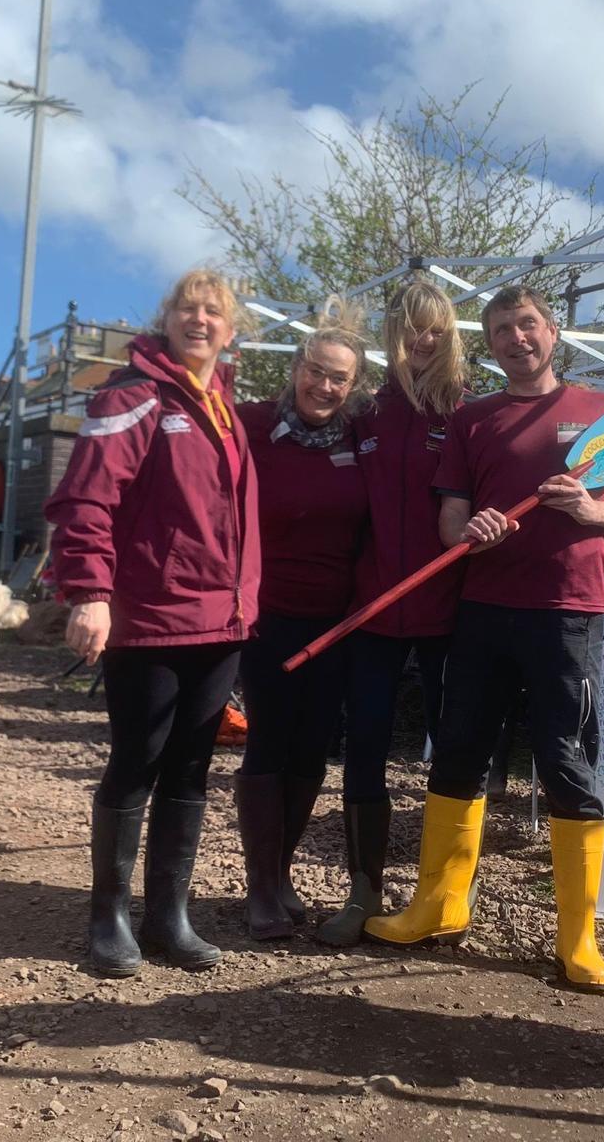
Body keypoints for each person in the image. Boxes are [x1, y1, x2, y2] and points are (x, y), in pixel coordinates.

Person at [363, 285, 604, 992]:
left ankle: (577, 940)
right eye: (500, 330)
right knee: (459, 751)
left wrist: (591, 508)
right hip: (485, 610)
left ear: (553, 331)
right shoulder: (473, 419)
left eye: (526, 325)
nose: (515, 339)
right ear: (489, 343)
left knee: (565, 760)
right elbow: (450, 521)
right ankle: (436, 907)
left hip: (569, 613)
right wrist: (471, 532)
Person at [45, 269, 260, 978]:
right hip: (151, 617)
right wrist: (89, 592)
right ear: (166, 318)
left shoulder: (224, 404)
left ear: (232, 330)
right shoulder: (133, 396)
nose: (199, 320)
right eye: (187, 309)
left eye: (213, 312)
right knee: (136, 760)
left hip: (220, 619)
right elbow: (86, 502)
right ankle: (109, 915)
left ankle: (169, 913)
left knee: (192, 765)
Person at [318, 281, 467, 946]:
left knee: (454, 756)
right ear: (394, 332)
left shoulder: (463, 411)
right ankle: (363, 890)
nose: (423, 340)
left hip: (446, 612)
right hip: (372, 610)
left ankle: (442, 897)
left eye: (436, 328)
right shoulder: (365, 412)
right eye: (413, 327)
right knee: (366, 748)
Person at [233, 302, 372, 941]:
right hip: (267, 615)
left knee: (313, 748)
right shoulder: (253, 425)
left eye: (338, 378)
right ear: (296, 368)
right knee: (269, 742)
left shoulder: (357, 438)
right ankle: (260, 886)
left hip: (336, 623)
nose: (324, 386)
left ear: (353, 386)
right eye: (315, 371)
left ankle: (282, 872)